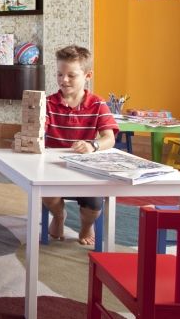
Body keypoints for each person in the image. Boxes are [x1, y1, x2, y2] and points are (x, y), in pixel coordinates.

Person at [43, 45, 118, 245]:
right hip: (53, 169)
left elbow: (109, 138)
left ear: (88, 75)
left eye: (71, 75)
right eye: (60, 74)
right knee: (47, 195)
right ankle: (59, 216)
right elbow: (37, 131)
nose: (64, 80)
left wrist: (93, 145)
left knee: (94, 204)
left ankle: (86, 225)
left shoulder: (98, 104)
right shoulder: (48, 103)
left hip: (85, 170)